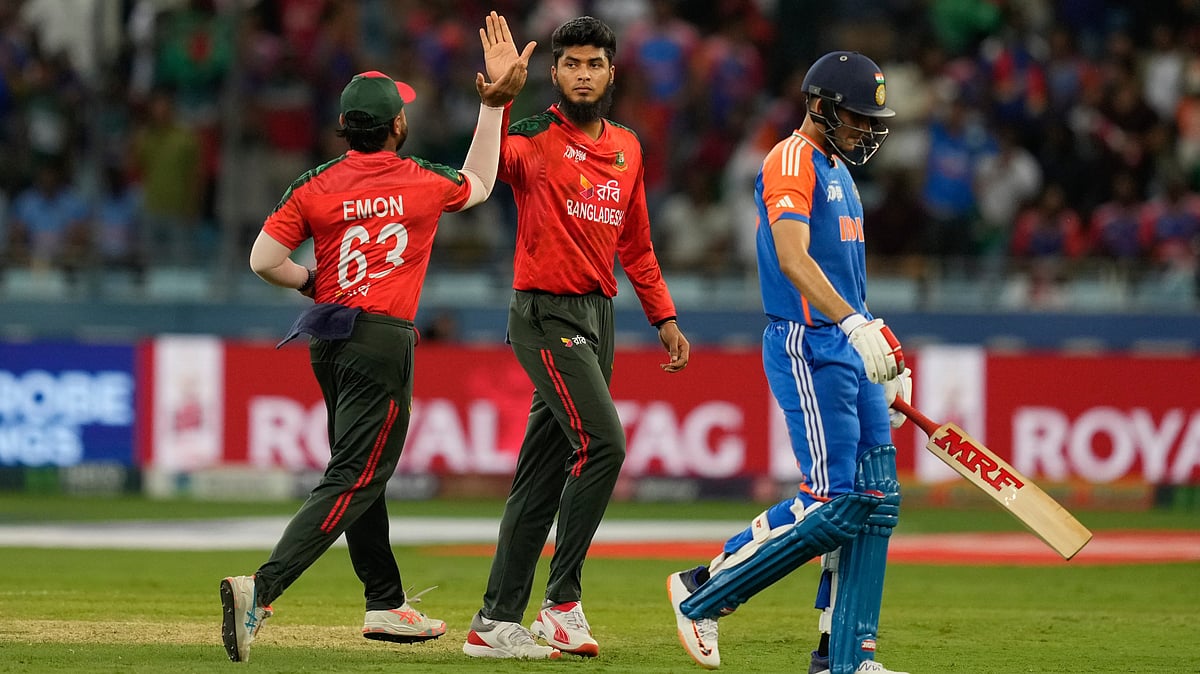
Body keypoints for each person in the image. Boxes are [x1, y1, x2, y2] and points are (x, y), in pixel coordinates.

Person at [219, 13, 535, 664]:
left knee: (360, 470)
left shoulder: (314, 184)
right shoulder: (419, 178)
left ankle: (385, 603)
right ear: (397, 125)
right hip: (382, 339)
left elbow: (262, 260)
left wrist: (311, 280)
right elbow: (480, 184)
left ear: (344, 126)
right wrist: (492, 106)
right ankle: (262, 590)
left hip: (327, 334)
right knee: (355, 475)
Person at [666, 51, 912, 674]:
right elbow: (793, 257)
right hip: (809, 343)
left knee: (877, 499)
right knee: (831, 500)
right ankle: (702, 591)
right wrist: (852, 325)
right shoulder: (790, 159)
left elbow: (847, 279)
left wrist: (880, 348)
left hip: (848, 344)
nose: (867, 129)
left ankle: (845, 658)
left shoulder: (840, 172)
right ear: (820, 107)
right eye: (857, 116)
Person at [461, 14, 691, 661]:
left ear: (611, 73)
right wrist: (493, 106)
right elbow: (477, 184)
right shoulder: (533, 136)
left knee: (540, 478)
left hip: (598, 317)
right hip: (545, 315)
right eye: (571, 64)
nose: (583, 75)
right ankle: (561, 604)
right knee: (604, 444)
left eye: (594, 64)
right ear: (554, 72)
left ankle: (494, 623)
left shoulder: (629, 147)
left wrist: (664, 317)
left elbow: (636, 245)